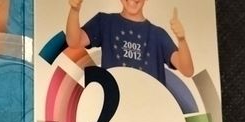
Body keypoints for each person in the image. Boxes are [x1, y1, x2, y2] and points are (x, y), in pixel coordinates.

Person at [65, 0, 194, 84]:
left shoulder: (158, 34)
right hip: (115, 107)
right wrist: (74, 11)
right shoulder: (104, 22)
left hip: (149, 111)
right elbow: (74, 42)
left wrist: (182, 40)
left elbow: (187, 70)